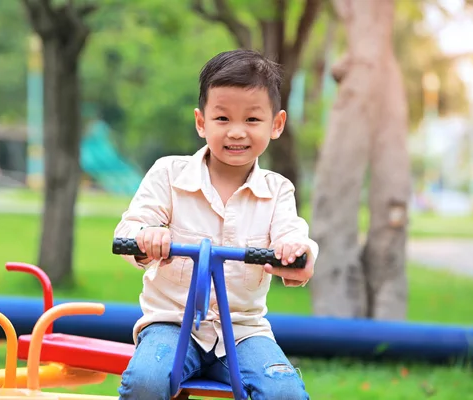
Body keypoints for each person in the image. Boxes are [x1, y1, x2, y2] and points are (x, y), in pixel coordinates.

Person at [114, 49, 319, 400]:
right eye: (222, 118)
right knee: (147, 380)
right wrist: (147, 236)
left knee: (284, 391)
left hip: (243, 332)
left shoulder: (277, 190)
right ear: (201, 122)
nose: (236, 132)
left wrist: (297, 252)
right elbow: (130, 230)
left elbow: (293, 236)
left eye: (252, 120)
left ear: (276, 124)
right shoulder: (169, 174)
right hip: (171, 325)